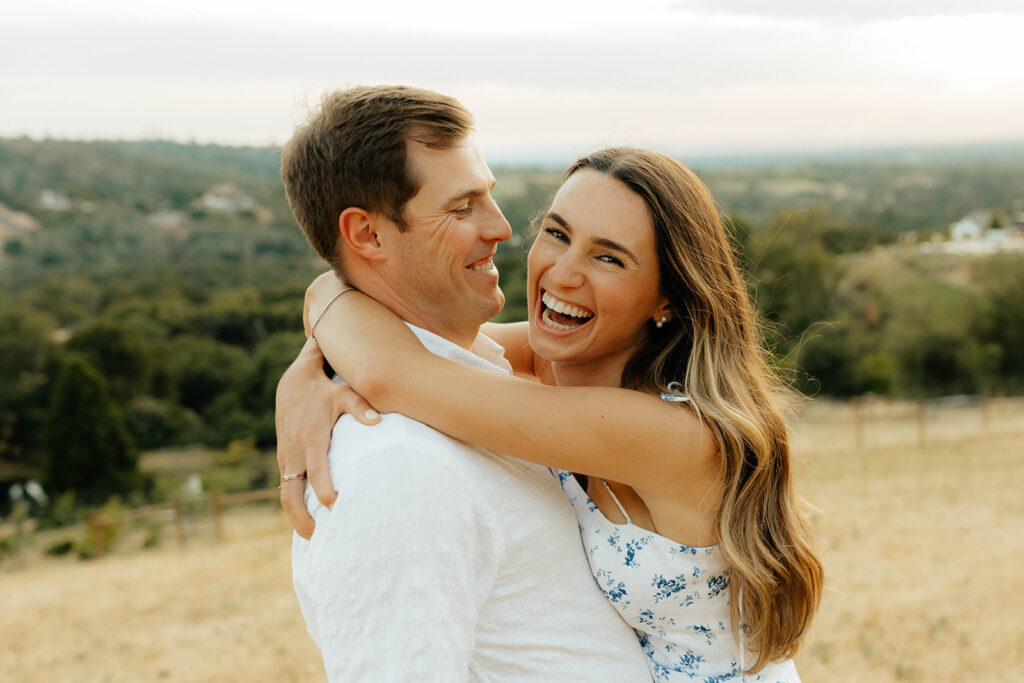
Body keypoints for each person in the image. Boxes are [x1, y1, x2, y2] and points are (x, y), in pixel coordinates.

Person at [277, 145, 824, 680]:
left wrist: (325, 290)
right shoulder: (563, 360)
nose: (563, 273)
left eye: (608, 257)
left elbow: (393, 372)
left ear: (668, 301)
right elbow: (423, 341)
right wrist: (307, 370)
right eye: (558, 234)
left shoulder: (667, 432)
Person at [277, 85, 652, 681]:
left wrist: (322, 318)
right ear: (368, 235)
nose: (501, 228)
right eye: (462, 208)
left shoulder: (472, 382)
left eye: (489, 197)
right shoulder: (397, 470)